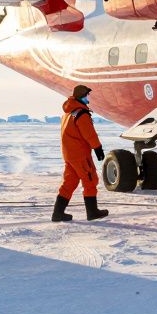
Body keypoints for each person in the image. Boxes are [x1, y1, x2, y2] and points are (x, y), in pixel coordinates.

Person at [52, 84, 109, 222]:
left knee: (69, 183)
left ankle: (58, 213)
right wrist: (98, 148)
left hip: (69, 154)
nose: (88, 97)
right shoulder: (81, 114)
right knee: (90, 180)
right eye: (87, 95)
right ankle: (92, 212)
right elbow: (89, 134)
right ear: (82, 96)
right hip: (80, 155)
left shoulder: (68, 113)